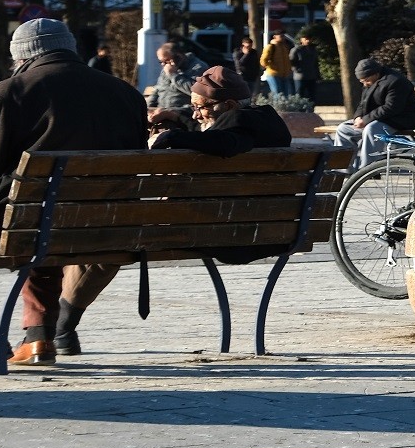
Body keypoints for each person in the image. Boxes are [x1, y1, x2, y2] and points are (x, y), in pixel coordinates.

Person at [0, 19, 147, 369]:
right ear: (69, 47)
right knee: (43, 225)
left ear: (23, 54)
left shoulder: (10, 92)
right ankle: (38, 336)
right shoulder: (126, 93)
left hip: (31, 220)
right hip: (104, 224)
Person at [52, 66, 293, 356]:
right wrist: (179, 123)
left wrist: (170, 139)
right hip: (267, 230)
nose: (195, 114)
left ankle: (60, 329)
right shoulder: (265, 124)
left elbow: (229, 141)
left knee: (104, 242)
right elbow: (224, 135)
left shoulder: (238, 127)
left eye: (199, 108)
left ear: (227, 105)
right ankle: (59, 329)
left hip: (215, 234)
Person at [334, 58, 415, 169]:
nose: (365, 84)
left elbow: (391, 107)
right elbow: (363, 103)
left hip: (400, 119)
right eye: (362, 81)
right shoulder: (370, 81)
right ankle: (342, 167)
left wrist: (365, 120)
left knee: (371, 129)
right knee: (343, 129)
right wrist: (358, 117)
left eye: (366, 80)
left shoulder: (395, 81)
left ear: (375, 73)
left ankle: (368, 169)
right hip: (379, 118)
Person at [147, 42, 209, 132]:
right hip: (161, 108)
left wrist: (173, 75)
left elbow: (195, 91)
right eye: (161, 62)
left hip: (183, 111)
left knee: (165, 124)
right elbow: (158, 90)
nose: (163, 65)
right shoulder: (166, 68)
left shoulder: (198, 67)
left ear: (179, 56)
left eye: (166, 61)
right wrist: (148, 107)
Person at [289, 33, 321, 103]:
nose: (308, 41)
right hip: (300, 77)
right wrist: (297, 70)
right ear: (301, 40)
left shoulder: (313, 50)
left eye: (309, 39)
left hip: (312, 76)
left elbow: (315, 63)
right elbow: (291, 62)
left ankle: (310, 110)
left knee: (312, 95)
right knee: (299, 95)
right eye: (306, 39)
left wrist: (317, 75)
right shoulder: (296, 50)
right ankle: (299, 110)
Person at [259, 32, 294, 96]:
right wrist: (272, 67)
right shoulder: (271, 47)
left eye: (283, 36)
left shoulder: (284, 47)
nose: (283, 38)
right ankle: (277, 106)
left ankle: (284, 106)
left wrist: (288, 70)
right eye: (281, 36)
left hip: (284, 74)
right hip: (273, 74)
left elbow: (287, 61)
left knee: (285, 94)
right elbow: (263, 61)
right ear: (275, 37)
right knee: (277, 94)